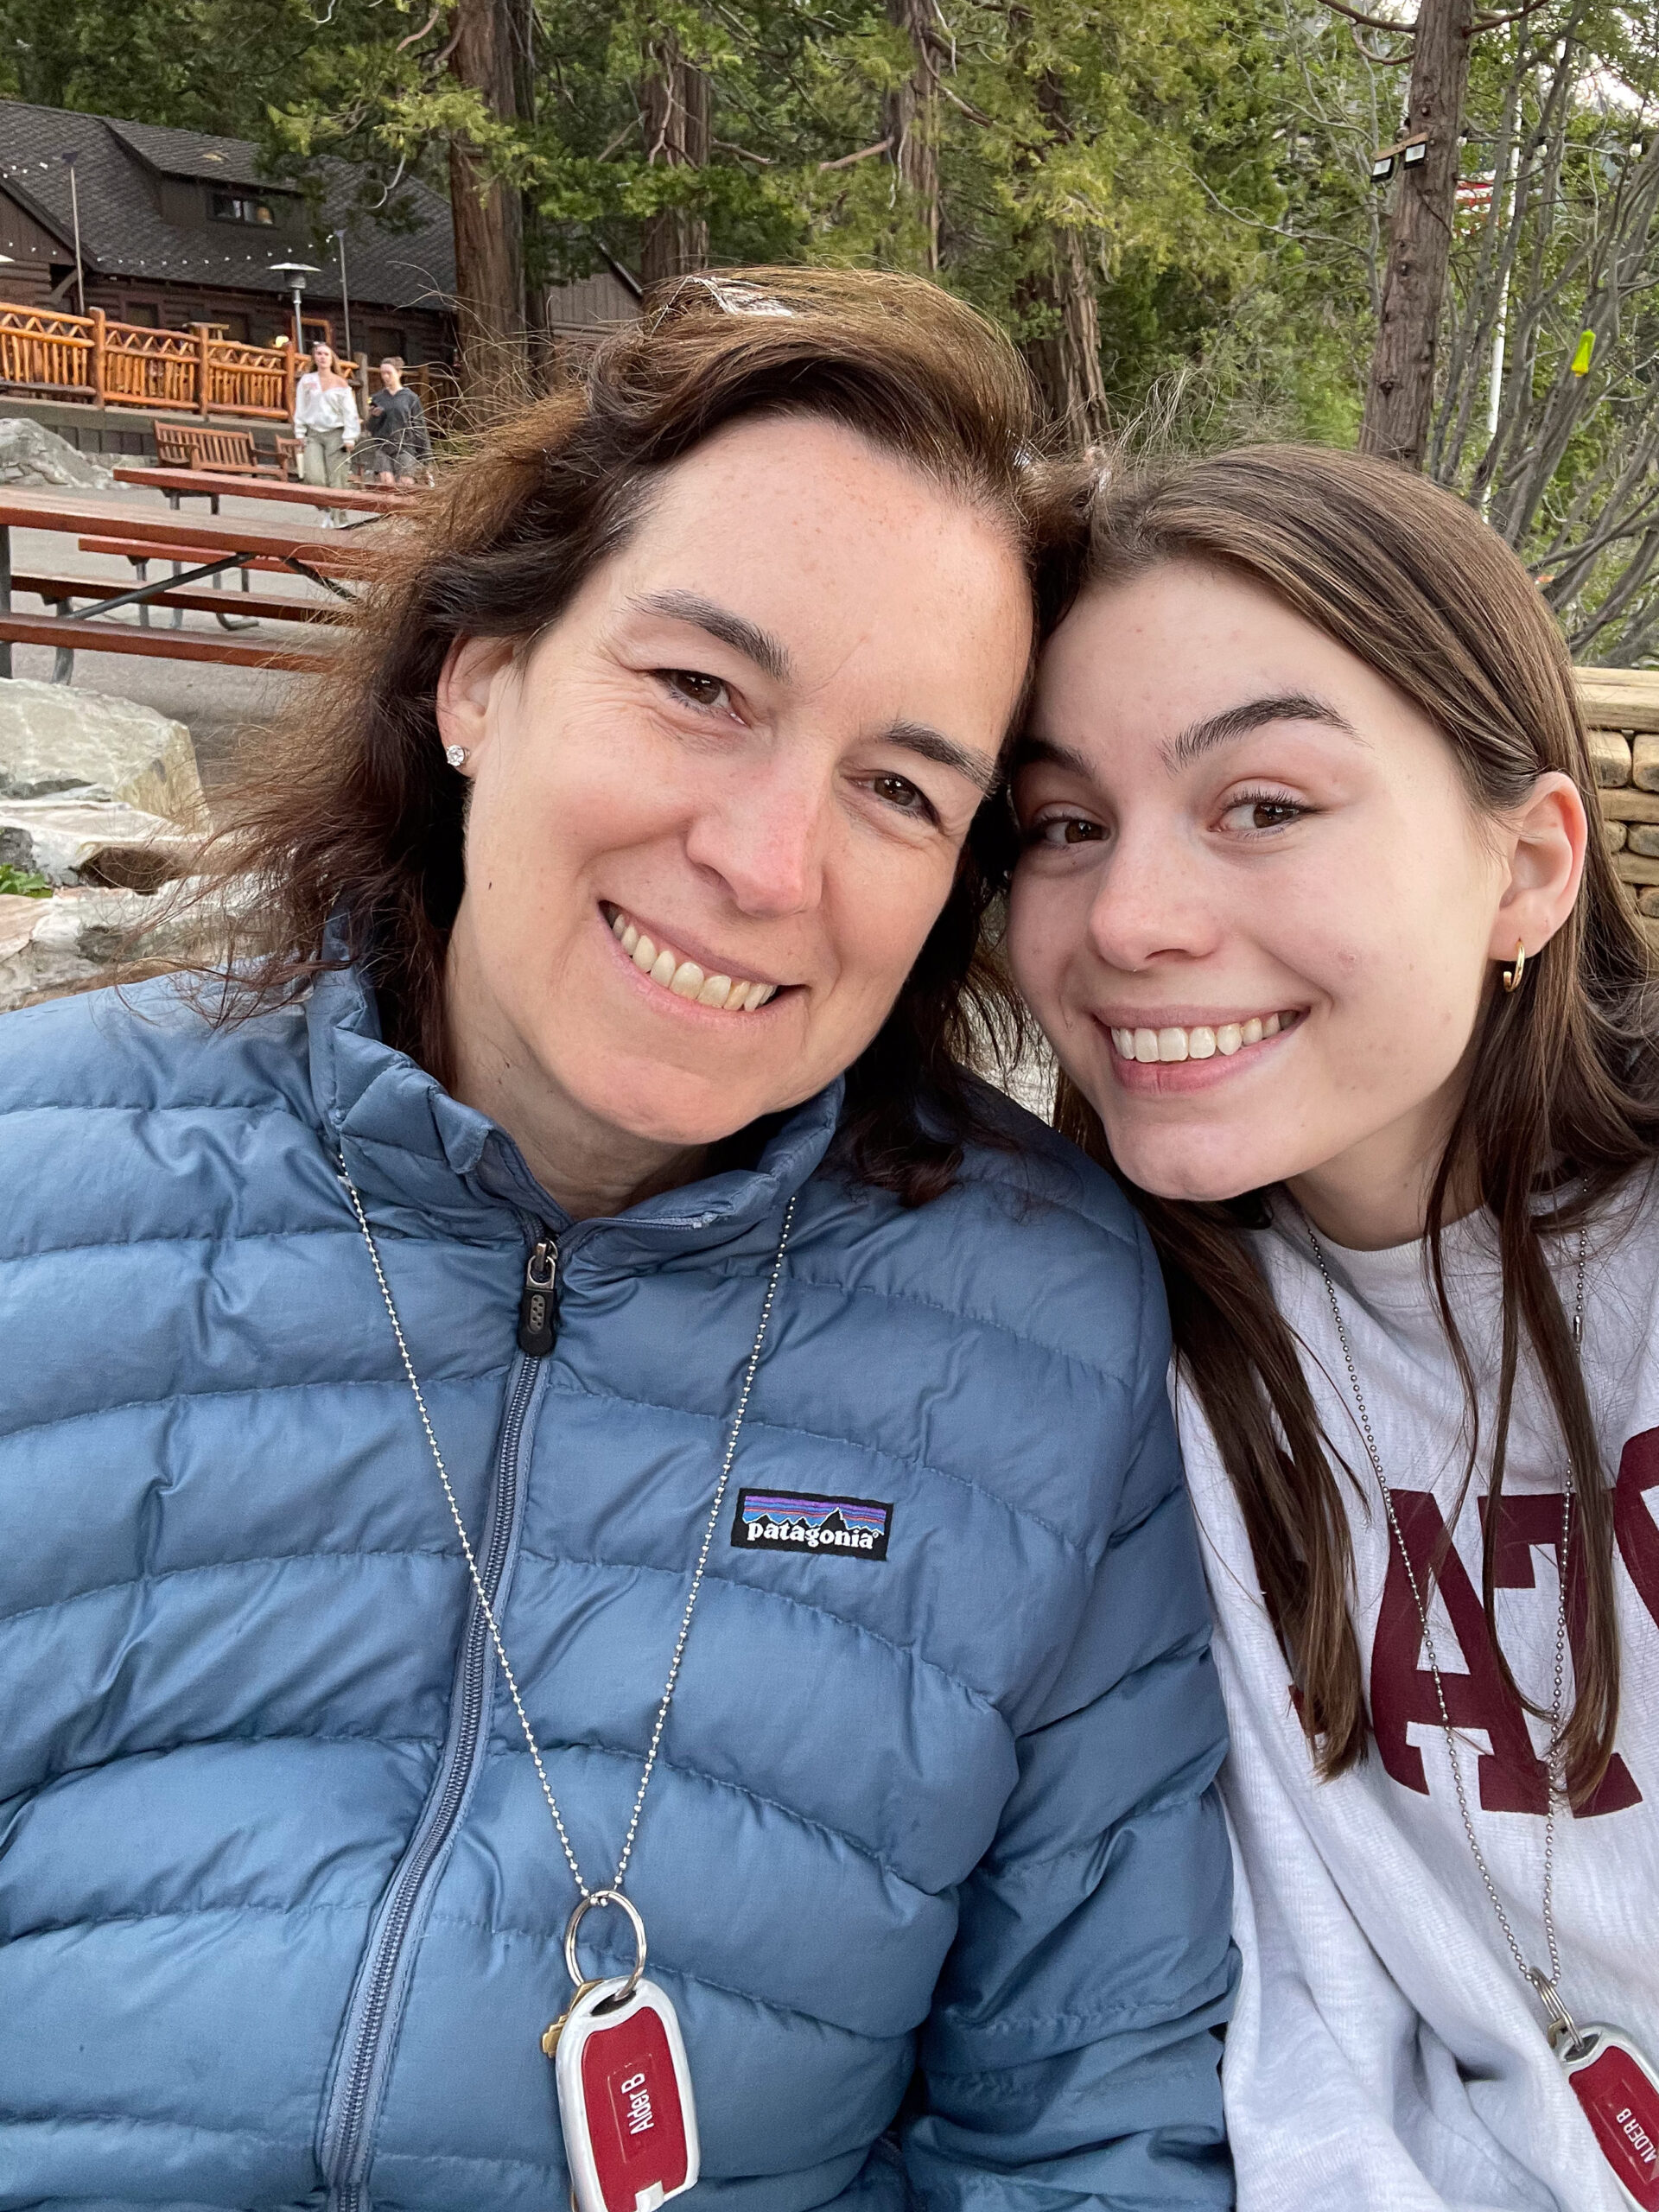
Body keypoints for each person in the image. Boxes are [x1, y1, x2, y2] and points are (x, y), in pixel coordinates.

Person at [0, 271, 1236, 2209]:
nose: (762, 862)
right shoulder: (32, 1177)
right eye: (697, 688)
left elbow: (1092, 2123)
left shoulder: (1050, 1335)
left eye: (901, 787)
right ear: (478, 675)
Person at [1007, 442, 1659, 2212]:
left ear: (1525, 870)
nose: (1130, 920)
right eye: (1064, 825)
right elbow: (1290, 2038)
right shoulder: (1109, 1362)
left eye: (1263, 804)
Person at [293, 336, 360, 523]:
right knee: (314, 477)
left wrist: (350, 436)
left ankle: (340, 519)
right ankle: (327, 508)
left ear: (332, 359)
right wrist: (299, 432)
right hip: (314, 433)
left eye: (325, 354)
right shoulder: (307, 380)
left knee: (337, 478)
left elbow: (350, 412)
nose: (322, 357)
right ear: (314, 358)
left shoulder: (341, 384)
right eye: (319, 354)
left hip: (336, 434)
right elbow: (301, 406)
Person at [359, 354, 434, 486]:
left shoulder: (410, 398)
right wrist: (375, 417)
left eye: (389, 373)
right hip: (383, 446)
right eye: (382, 373)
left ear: (399, 373)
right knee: (386, 482)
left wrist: (426, 458)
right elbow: (371, 428)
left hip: (405, 446)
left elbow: (420, 427)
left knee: (406, 483)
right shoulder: (377, 398)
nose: (385, 376)